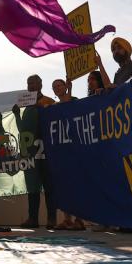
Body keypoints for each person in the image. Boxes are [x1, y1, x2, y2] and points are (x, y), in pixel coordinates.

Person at [17, 75, 55, 229]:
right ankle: (32, 218)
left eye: (33, 82)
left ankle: (52, 219)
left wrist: (44, 109)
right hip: (30, 154)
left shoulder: (48, 101)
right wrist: (15, 115)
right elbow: (23, 130)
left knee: (49, 186)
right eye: (28, 83)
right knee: (32, 187)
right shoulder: (25, 107)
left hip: (46, 151)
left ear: (40, 84)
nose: (31, 85)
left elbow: (55, 120)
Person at [50, 79, 85, 230]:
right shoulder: (53, 108)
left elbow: (72, 109)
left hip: (76, 150)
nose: (57, 88)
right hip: (62, 152)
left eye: (60, 85)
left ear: (65, 86)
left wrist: (70, 91)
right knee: (64, 186)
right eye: (54, 87)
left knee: (77, 186)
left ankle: (79, 220)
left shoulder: (75, 100)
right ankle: (66, 219)